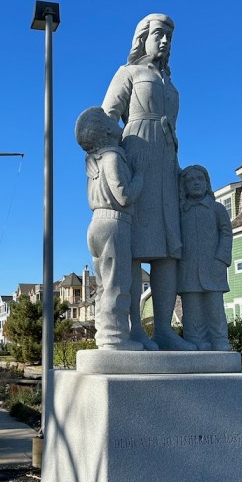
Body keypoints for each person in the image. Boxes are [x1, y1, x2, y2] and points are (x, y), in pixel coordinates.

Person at [102, 13, 194, 350]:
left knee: (168, 250)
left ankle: (166, 331)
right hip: (136, 154)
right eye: (159, 34)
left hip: (167, 162)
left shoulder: (171, 84)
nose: (166, 41)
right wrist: (110, 164)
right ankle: (133, 329)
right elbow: (106, 118)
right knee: (133, 249)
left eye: (170, 36)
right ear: (143, 37)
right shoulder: (128, 73)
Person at [75, 107, 146, 350]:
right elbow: (124, 196)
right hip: (114, 223)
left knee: (105, 285)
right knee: (117, 282)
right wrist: (139, 177)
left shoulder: (94, 161)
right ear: (106, 130)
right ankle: (114, 338)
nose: (114, 120)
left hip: (96, 225)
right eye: (109, 119)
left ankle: (105, 335)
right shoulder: (112, 158)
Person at [177, 165, 233, 351]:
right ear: (184, 186)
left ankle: (220, 340)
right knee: (191, 311)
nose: (195, 183)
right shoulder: (180, 211)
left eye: (199, 179)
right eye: (190, 180)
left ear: (206, 182)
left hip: (213, 267)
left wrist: (221, 259)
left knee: (215, 309)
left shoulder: (217, 209)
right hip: (187, 268)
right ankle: (195, 340)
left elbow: (226, 234)